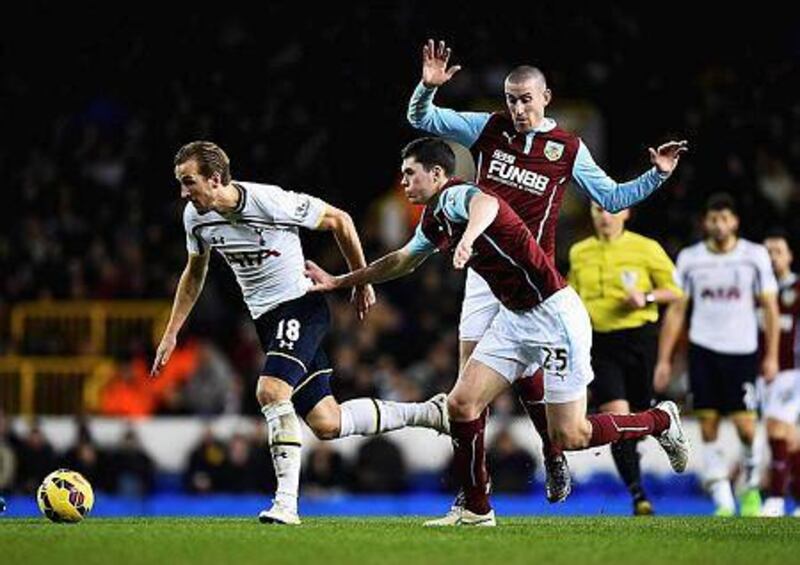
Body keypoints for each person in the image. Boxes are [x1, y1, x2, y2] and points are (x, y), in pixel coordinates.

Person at [306, 138, 689, 526]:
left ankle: (659, 420)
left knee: (572, 435)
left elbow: (486, 203)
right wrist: (342, 281)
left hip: (554, 316)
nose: (403, 182)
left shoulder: (456, 196)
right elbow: (400, 261)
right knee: (461, 405)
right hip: (514, 317)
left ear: (436, 174)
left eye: (409, 173)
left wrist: (469, 239)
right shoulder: (434, 216)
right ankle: (477, 508)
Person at [407, 39, 688, 504]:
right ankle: (475, 496)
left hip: (534, 282)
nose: (517, 108)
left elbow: (613, 198)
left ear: (545, 98)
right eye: (511, 99)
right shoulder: (488, 129)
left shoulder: (567, 148)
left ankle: (554, 451)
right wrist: (427, 87)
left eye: (525, 99)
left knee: (521, 386)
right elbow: (423, 119)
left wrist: (656, 174)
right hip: (482, 274)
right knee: (467, 395)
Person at [152, 141, 448, 525]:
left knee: (270, 391)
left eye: (188, 182)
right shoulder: (196, 217)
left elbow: (340, 219)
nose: (183, 193)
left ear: (215, 178)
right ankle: (428, 412)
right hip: (267, 321)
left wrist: (359, 280)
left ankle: (286, 505)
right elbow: (194, 273)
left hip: (301, 306)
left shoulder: (269, 202)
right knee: (327, 422)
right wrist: (173, 331)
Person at [654, 193, 780, 516]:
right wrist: (665, 359)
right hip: (703, 350)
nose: (719, 225)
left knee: (746, 427)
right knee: (707, 424)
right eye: (713, 219)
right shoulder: (690, 258)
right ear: (705, 223)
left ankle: (751, 487)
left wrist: (771, 356)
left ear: (735, 221)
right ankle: (722, 498)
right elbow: (677, 310)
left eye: (725, 219)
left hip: (742, 350)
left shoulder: (754, 256)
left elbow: (770, 307)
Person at [569, 202, 682, 515]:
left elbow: (675, 290)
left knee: (639, 415)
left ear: (626, 213)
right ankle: (638, 494)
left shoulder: (645, 248)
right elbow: (573, 297)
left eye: (611, 209)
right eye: (597, 209)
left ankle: (648, 436)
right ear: (590, 214)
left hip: (639, 340)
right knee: (616, 416)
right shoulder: (580, 252)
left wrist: (645, 297)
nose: (604, 216)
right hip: (600, 344)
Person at [759, 233, 800, 517]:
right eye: (768, 252)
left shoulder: (798, 288)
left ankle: (774, 500)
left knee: (775, 428)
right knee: (790, 439)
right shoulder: (758, 291)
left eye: (778, 251)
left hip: (792, 370)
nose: (772, 257)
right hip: (762, 373)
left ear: (789, 256)